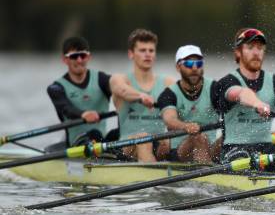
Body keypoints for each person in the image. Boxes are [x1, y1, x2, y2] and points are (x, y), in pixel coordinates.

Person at [215, 28, 275, 163]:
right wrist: (258, 104)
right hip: (235, 148)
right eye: (250, 48)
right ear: (238, 53)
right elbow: (241, 93)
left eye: (260, 48)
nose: (256, 52)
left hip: (268, 147)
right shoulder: (226, 82)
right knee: (243, 157)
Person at [110, 29, 174, 162]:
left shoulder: (168, 83)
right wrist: (141, 96)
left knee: (170, 139)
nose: (147, 54)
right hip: (128, 146)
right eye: (142, 50)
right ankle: (155, 178)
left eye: (151, 51)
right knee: (144, 138)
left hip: (160, 144)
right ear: (131, 54)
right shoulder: (120, 79)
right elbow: (122, 90)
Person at [47, 37, 116, 148]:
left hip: (101, 142)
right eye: (74, 56)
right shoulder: (56, 88)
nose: (79, 60)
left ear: (88, 57)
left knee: (118, 134)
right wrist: (84, 115)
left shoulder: (102, 79)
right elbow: (67, 109)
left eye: (83, 56)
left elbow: (120, 88)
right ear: (65, 60)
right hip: (76, 144)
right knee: (95, 134)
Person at [157, 45, 222, 163]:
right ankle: (206, 177)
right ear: (178, 67)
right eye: (188, 63)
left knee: (227, 137)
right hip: (181, 152)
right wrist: (185, 126)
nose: (194, 68)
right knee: (198, 137)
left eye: (198, 63)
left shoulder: (214, 88)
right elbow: (169, 119)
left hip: (211, 150)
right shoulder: (169, 94)